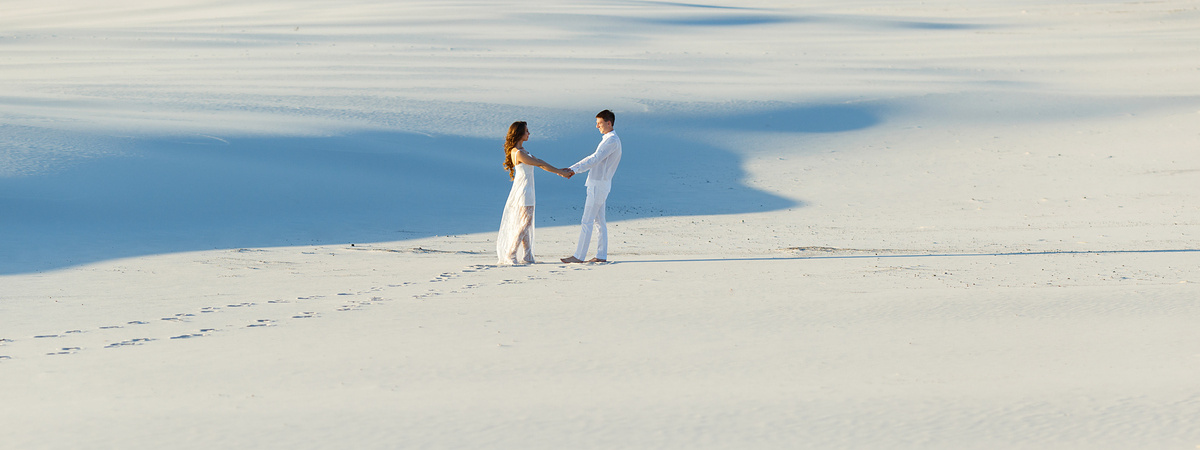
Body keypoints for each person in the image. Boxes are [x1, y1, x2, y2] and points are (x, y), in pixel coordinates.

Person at [497, 121, 571, 265]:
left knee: (526, 222)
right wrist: (559, 172)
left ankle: (528, 256)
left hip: (527, 188)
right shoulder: (518, 153)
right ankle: (511, 253)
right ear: (519, 133)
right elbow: (539, 164)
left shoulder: (523, 150)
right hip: (524, 190)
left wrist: (559, 170)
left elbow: (539, 161)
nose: (529, 133)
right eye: (526, 131)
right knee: (526, 222)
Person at [561, 110, 622, 263]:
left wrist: (574, 170)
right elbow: (593, 157)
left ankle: (579, 256)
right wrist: (573, 168)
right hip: (600, 184)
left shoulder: (611, 141)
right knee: (599, 221)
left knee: (587, 220)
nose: (597, 126)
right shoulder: (609, 140)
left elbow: (595, 159)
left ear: (609, 123)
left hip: (598, 185)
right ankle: (601, 255)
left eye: (599, 123)